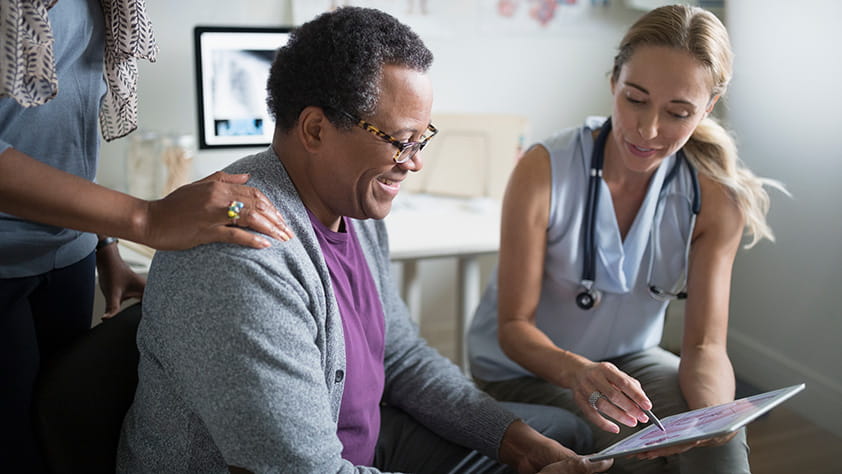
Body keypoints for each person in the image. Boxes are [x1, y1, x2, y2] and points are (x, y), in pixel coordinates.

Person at [117, 7, 613, 474]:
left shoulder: (355, 206)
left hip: (365, 442)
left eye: (422, 139)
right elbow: (306, 470)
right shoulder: (242, 254)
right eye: (400, 140)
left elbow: (400, 357)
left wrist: (518, 443)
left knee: (561, 437)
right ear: (315, 129)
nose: (414, 161)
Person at [466, 5, 785, 474]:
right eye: (635, 99)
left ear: (708, 107)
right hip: (524, 370)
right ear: (614, 79)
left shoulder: (714, 197)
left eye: (678, 112)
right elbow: (513, 328)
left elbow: (703, 347)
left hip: (632, 360)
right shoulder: (543, 170)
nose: (648, 129)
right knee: (633, 456)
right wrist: (579, 372)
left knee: (722, 448)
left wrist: (712, 419)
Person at [0, 1, 291, 472]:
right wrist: (144, 219)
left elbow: (59, 132)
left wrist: (104, 242)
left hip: (67, 256)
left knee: (64, 441)